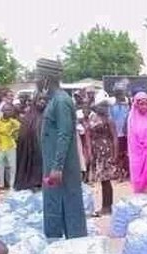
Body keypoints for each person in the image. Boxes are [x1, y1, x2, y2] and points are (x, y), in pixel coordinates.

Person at [36, 58, 88, 239]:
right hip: (53, 166)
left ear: (45, 78)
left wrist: (57, 167)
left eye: (37, 76)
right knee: (54, 204)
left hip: (62, 168)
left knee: (69, 204)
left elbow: (64, 135)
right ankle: (57, 244)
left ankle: (75, 246)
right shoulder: (52, 101)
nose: (35, 81)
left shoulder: (61, 101)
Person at [89, 100, 117, 215]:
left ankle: (107, 207)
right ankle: (105, 206)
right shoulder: (95, 119)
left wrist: (115, 155)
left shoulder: (109, 121)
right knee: (102, 180)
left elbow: (114, 137)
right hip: (98, 152)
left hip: (106, 152)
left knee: (106, 181)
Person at [14, 95, 45, 191]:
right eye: (40, 99)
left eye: (44, 99)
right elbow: (23, 134)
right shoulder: (29, 116)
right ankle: (33, 182)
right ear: (35, 101)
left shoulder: (48, 115)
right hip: (30, 147)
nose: (42, 102)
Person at [0, 104, 20, 189]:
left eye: (11, 110)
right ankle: (0, 185)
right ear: (3, 111)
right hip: (0, 145)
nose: (9, 112)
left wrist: (14, 132)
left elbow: (20, 127)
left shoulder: (13, 121)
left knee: (12, 166)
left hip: (11, 145)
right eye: (7, 110)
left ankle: (12, 184)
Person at [109, 89, 130, 181]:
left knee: (124, 154)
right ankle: (119, 173)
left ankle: (123, 172)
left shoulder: (126, 107)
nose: (122, 96)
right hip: (116, 134)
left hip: (125, 134)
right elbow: (111, 120)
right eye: (121, 95)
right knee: (117, 154)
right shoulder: (112, 107)